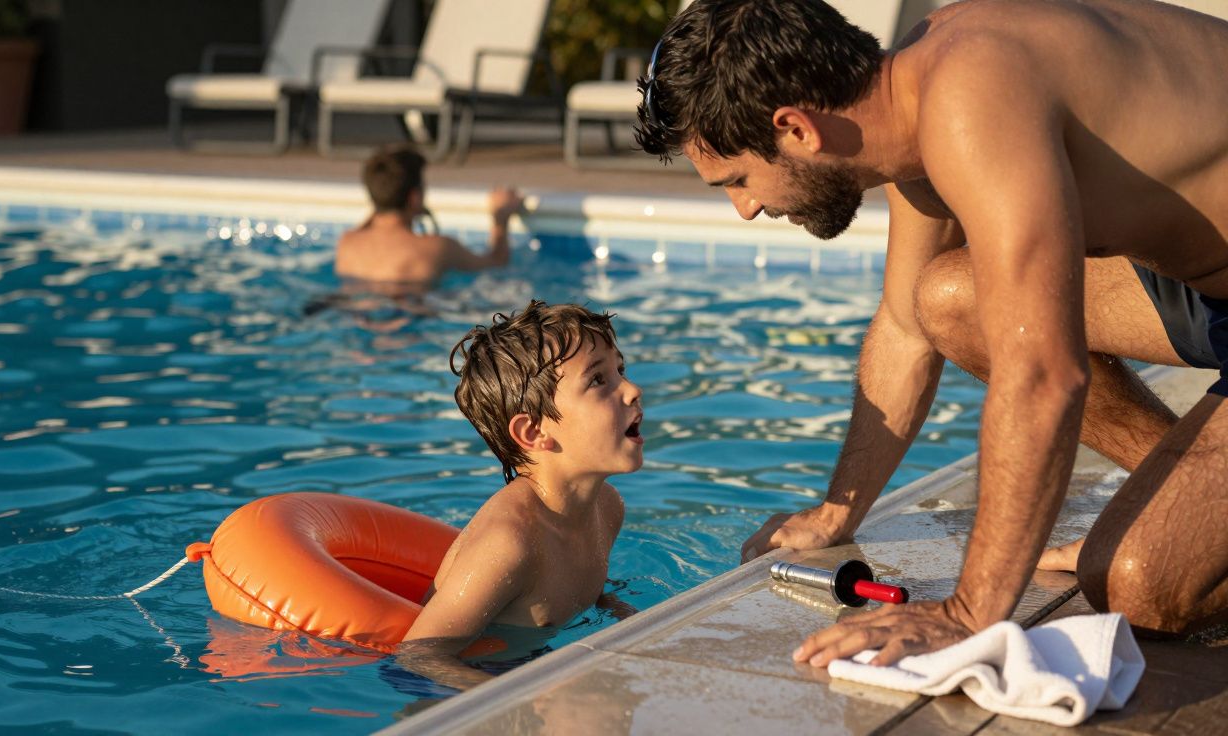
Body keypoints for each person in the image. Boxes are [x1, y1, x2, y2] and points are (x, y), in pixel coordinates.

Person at [635, 0, 1228, 668]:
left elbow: (1044, 373)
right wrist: (839, 511)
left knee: (1140, 581)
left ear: (796, 129)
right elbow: (905, 326)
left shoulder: (972, 94)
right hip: (1202, 285)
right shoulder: (915, 96)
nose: (744, 209)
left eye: (738, 179)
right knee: (945, 299)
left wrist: (970, 611)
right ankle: (1188, 499)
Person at [396, 301, 644, 688]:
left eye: (621, 370)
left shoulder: (607, 507)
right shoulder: (509, 543)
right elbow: (418, 656)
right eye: (599, 380)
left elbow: (585, 590)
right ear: (533, 433)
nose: (632, 390)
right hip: (470, 698)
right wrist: (518, 699)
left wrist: (622, 612)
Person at [334, 145, 524, 288]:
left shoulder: (347, 242)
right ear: (415, 197)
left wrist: (386, 197)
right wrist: (501, 218)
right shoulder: (438, 247)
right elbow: (497, 263)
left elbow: (377, 211)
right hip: (412, 314)